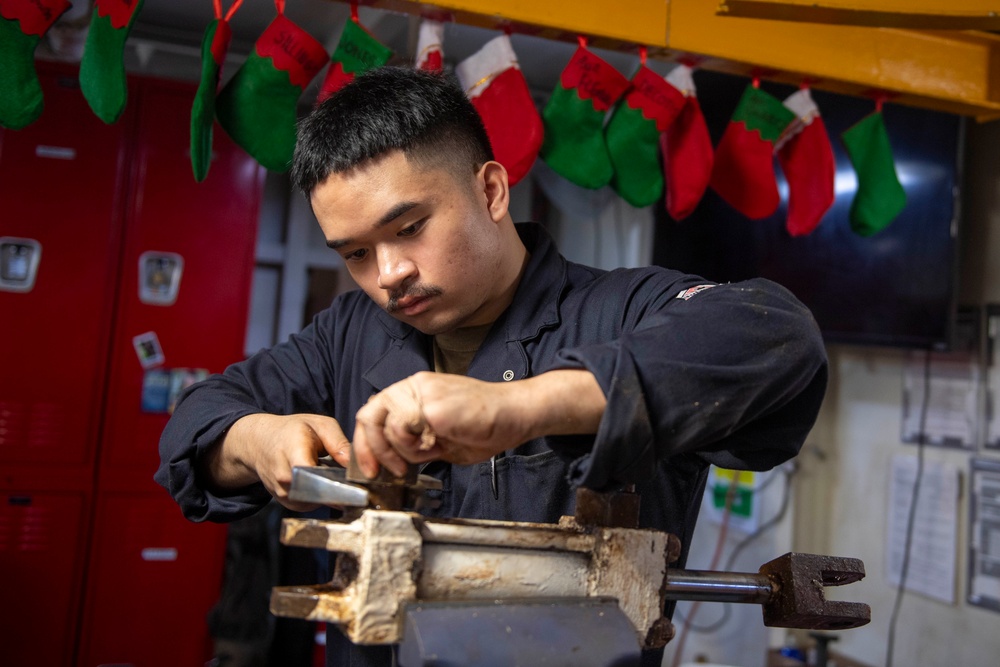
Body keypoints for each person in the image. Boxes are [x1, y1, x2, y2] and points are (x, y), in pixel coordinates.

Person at [156, 66, 827, 667]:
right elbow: (196, 424)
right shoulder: (352, 332)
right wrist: (259, 440)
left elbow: (777, 334)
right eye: (355, 253)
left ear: (493, 189)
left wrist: (524, 407)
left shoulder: (620, 309)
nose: (389, 274)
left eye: (409, 227)